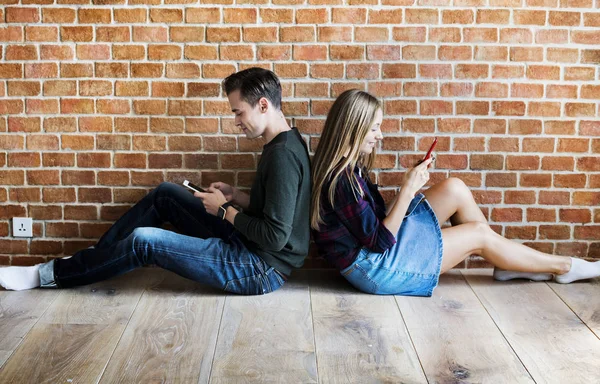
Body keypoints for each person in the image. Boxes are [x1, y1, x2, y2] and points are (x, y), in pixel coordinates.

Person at [0, 67, 312, 294]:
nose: (236, 122)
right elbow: (278, 209)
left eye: (238, 112)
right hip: (250, 246)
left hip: (258, 268)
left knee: (144, 241)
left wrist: (224, 210)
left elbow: (274, 237)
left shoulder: (282, 155)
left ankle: (46, 275)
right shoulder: (285, 142)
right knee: (165, 194)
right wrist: (238, 197)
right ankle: (97, 258)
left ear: (262, 105)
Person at [310, 89, 600, 297]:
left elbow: (378, 222)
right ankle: (564, 267)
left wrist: (410, 188)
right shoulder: (341, 182)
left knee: (454, 188)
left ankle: (507, 262)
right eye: (374, 128)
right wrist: (409, 188)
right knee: (478, 235)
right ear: (354, 130)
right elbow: (379, 242)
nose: (381, 135)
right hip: (373, 268)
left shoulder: (351, 169)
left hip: (376, 250)